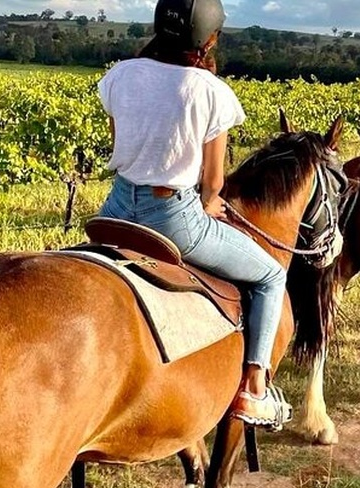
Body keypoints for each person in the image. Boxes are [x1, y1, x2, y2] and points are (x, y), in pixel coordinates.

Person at [95, 0, 291, 428]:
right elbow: (214, 183)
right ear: (209, 37)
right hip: (171, 216)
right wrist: (209, 204)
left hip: (114, 207)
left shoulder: (120, 75)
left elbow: (123, 147)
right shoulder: (210, 90)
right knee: (271, 276)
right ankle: (254, 389)